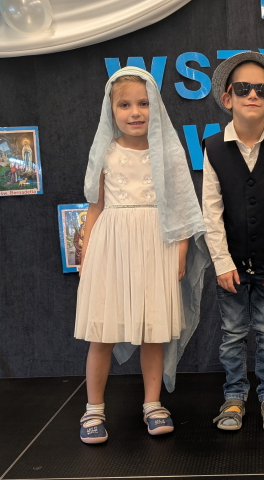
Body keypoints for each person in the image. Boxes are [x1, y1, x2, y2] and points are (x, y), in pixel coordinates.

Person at [74, 67, 210, 444]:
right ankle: (93, 408)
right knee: (102, 331)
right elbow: (95, 207)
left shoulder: (168, 153)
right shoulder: (105, 152)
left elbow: (182, 209)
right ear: (111, 110)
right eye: (125, 105)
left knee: (154, 330)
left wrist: (181, 251)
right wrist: (86, 253)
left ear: (156, 107)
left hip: (157, 244)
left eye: (143, 104)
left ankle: (153, 403)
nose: (135, 112)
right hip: (112, 247)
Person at [203, 52, 264, 432]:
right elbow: (210, 213)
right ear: (228, 98)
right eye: (243, 88)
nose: (252, 94)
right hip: (232, 265)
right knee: (233, 335)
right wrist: (222, 262)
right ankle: (234, 396)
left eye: (261, 89)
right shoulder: (213, 148)